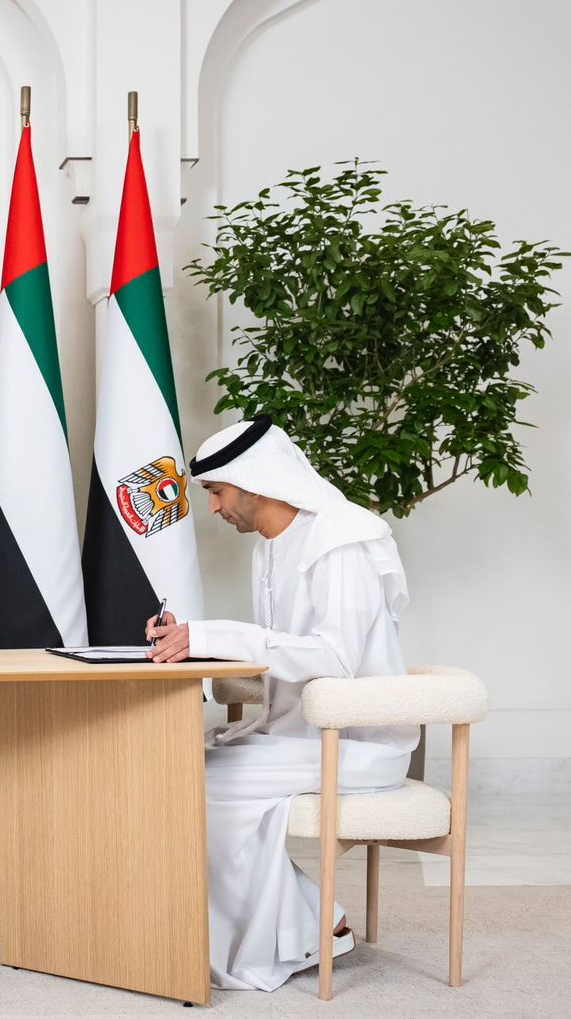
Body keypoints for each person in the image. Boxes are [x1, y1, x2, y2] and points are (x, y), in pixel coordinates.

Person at [146, 416, 418, 991]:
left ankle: (311, 924)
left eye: (218, 492)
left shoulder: (340, 540)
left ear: (256, 482)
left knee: (190, 778)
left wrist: (214, 634)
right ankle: (313, 920)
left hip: (357, 742)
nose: (213, 508)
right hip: (296, 737)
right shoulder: (271, 548)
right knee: (173, 764)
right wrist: (191, 640)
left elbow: (335, 658)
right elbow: (282, 650)